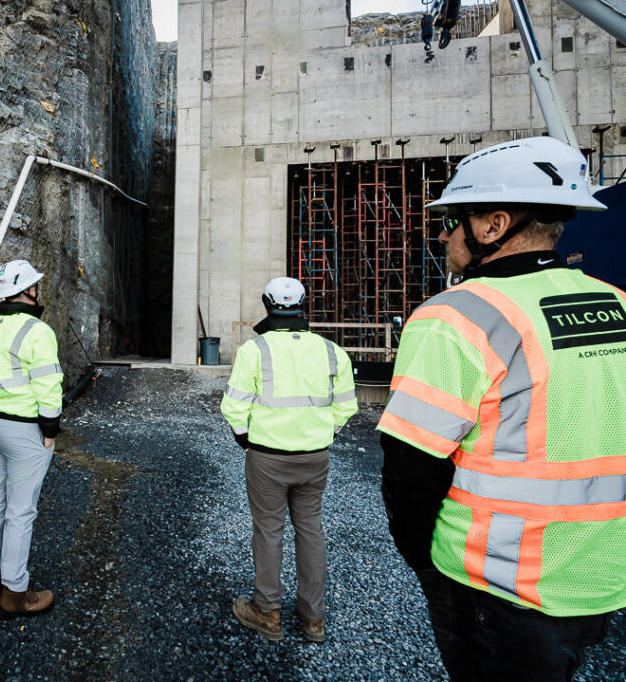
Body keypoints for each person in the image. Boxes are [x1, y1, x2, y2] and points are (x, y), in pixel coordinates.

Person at [378, 136, 626, 682]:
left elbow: (411, 467)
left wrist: (425, 561)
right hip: (602, 574)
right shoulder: (615, 303)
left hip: (497, 579)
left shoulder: (456, 316)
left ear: (493, 225)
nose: (443, 235)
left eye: (452, 221)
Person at [220, 277, 358, 642]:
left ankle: (268, 612)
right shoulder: (332, 351)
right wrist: (325, 435)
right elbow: (346, 406)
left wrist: (245, 441)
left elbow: (233, 406)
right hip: (315, 458)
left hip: (267, 457)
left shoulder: (255, 350)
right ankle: (313, 619)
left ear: (267, 305)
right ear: (303, 305)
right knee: (310, 529)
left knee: (269, 531)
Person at [0, 259, 63, 618]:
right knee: (20, 512)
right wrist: (50, 429)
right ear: (28, 290)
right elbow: (48, 383)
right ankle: (15, 593)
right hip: (25, 430)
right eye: (35, 285)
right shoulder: (37, 330)